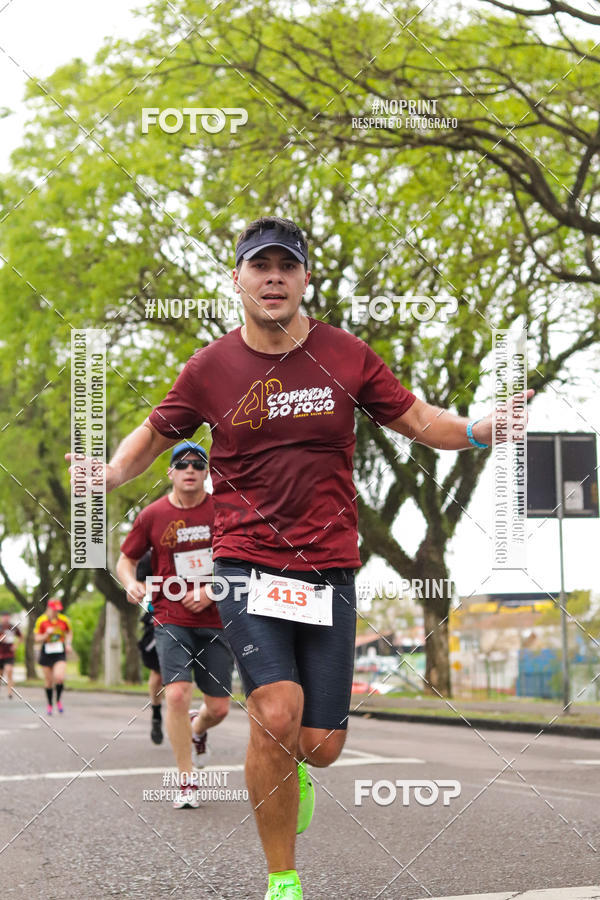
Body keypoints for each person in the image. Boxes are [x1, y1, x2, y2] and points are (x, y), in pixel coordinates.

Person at [67, 216, 531, 898]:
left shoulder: (346, 355)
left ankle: (297, 765)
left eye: (287, 265)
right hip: (245, 562)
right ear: (239, 280)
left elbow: (416, 419)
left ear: (306, 277)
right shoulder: (209, 368)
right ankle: (282, 878)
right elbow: (150, 433)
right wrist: (108, 476)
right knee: (275, 711)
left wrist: (478, 431)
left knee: (319, 743)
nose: (274, 277)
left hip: (329, 567)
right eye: (261, 266)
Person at [116, 441, 233, 809]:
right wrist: (131, 583)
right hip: (169, 616)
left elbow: (243, 562)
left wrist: (212, 590)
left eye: (198, 464)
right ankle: (186, 780)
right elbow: (126, 559)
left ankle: (198, 731)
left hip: (216, 619)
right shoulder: (152, 515)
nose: (190, 469)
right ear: (170, 472)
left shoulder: (222, 511)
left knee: (219, 709)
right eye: (182, 464)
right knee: (178, 694)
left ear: (206, 473)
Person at [135, 551, 164, 745]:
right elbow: (140, 587)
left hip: (194, 617)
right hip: (158, 619)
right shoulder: (148, 558)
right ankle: (156, 713)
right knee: (158, 674)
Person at [34, 598, 72, 715]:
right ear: (48, 608)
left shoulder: (63, 620)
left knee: (59, 677)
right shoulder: (41, 621)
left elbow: (69, 632)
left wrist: (68, 644)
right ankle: (50, 704)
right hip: (46, 652)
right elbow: (36, 638)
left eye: (58, 610)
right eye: (54, 610)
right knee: (49, 681)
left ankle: (58, 700)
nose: (56, 612)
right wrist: (46, 634)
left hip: (60, 651)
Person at [0, 612, 23, 699]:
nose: (6, 618)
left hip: (9, 653)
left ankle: (10, 693)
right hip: (0, 653)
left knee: (9, 671)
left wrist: (16, 645)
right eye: (4, 617)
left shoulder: (13, 627)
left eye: (7, 617)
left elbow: (21, 637)